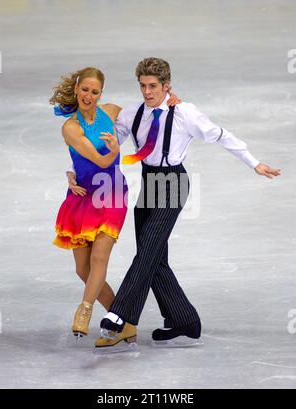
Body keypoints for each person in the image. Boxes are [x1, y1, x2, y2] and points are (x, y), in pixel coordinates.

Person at [68, 58, 281, 349]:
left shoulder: (185, 113)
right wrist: (73, 171)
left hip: (174, 184)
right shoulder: (133, 113)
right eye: (142, 85)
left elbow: (221, 136)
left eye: (153, 86)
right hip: (149, 183)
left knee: (149, 250)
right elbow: (100, 145)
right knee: (152, 255)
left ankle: (120, 314)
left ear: (167, 86)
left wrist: (253, 163)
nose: (147, 92)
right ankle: (184, 320)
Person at [51, 66, 179, 345]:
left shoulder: (111, 112)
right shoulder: (70, 127)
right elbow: (99, 159)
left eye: (95, 91)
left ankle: (84, 311)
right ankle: (125, 323)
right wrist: (70, 171)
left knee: (99, 258)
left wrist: (170, 100)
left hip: (111, 194)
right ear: (76, 89)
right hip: (83, 195)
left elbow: (146, 114)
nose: (89, 95)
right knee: (82, 269)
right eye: (84, 89)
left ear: (101, 94)